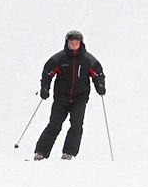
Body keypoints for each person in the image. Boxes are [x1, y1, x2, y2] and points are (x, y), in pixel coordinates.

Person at [33, 30, 106, 161]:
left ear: (81, 43)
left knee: (76, 125)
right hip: (61, 98)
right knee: (54, 124)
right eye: (71, 43)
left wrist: (100, 86)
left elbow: (98, 73)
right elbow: (47, 73)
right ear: (67, 43)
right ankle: (41, 152)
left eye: (76, 43)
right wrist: (45, 88)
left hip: (80, 98)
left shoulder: (88, 59)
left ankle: (68, 153)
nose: (74, 45)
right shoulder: (59, 58)